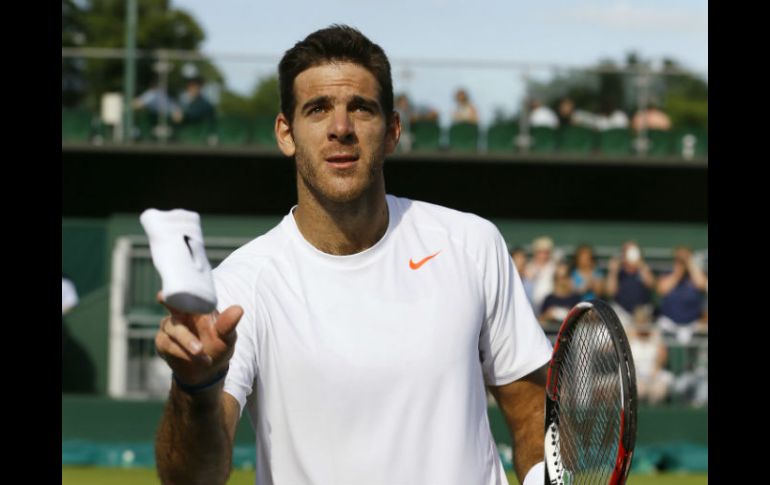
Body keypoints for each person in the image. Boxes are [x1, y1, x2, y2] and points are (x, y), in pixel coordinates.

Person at [154, 25, 552, 485]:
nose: (340, 129)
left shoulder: (472, 243)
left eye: (361, 108)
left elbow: (530, 409)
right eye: (318, 109)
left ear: (392, 131)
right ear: (286, 133)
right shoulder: (241, 287)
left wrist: (542, 473)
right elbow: (192, 479)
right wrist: (195, 388)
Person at [656, 245, 708, 344]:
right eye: (679, 259)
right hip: (669, 322)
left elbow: (702, 285)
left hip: (691, 324)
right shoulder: (668, 272)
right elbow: (662, 289)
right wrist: (678, 270)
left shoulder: (695, 274)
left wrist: (690, 263)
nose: (682, 261)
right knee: (656, 328)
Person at [627, 305, 672, 405]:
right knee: (640, 390)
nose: (642, 324)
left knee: (660, 390)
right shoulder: (629, 335)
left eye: (645, 320)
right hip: (635, 375)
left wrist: (656, 370)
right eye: (640, 321)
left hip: (654, 373)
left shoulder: (656, 335)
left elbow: (662, 357)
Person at [604, 241, 656, 329]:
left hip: (641, 312)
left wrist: (640, 265)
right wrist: (613, 272)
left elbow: (651, 284)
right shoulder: (619, 272)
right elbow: (610, 291)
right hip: (622, 312)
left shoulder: (642, 269)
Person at [538, 263, 582, 328]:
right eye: (557, 277)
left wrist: (571, 316)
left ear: (569, 278)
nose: (560, 281)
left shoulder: (576, 298)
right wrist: (546, 316)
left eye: (564, 277)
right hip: (550, 332)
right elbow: (539, 321)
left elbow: (582, 321)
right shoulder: (549, 299)